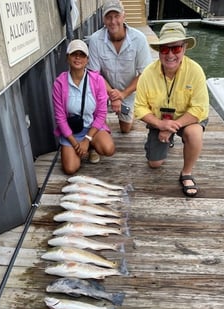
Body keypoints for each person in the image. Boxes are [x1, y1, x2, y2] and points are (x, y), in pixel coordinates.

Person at [134, 22, 209, 197]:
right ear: (159, 51)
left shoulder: (196, 71)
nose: (170, 55)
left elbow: (200, 108)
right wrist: (160, 124)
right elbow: (139, 107)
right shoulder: (147, 73)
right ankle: (167, 140)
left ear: (184, 49)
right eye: (164, 49)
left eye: (175, 49)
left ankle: (186, 173)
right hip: (159, 119)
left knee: (194, 133)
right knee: (155, 163)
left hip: (187, 119)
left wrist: (170, 127)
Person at [88, 0, 152, 133]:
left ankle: (129, 115)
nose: (113, 21)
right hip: (102, 89)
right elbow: (94, 73)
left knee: (125, 129)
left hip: (128, 90)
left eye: (116, 16)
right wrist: (112, 94)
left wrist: (122, 94)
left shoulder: (139, 39)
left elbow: (144, 74)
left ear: (124, 16)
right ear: (103, 19)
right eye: (108, 17)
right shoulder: (95, 40)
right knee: (99, 124)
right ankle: (99, 127)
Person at [52, 39, 115, 175]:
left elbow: (102, 113)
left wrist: (87, 140)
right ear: (67, 58)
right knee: (70, 169)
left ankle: (91, 146)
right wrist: (75, 143)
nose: (78, 58)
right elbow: (60, 118)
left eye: (82, 55)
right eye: (74, 54)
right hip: (72, 131)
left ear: (87, 59)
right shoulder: (59, 83)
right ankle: (75, 149)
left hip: (93, 128)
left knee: (108, 148)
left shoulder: (97, 80)